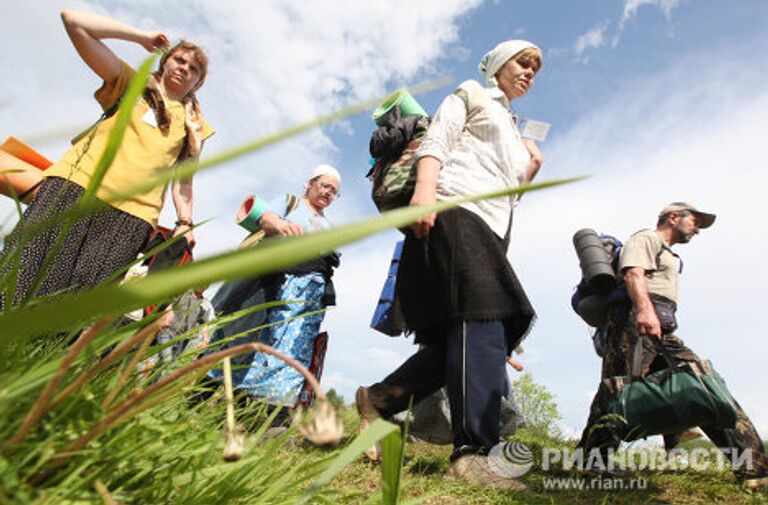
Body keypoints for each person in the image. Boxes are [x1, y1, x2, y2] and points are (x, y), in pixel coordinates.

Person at [356, 39, 544, 490]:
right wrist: (424, 192)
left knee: (458, 342)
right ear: (498, 64)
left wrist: (530, 167)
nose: (530, 73)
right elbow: (438, 138)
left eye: (536, 68)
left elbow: (508, 193)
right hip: (455, 209)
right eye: (523, 62)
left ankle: (379, 400)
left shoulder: (517, 129)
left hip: (490, 229)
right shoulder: (472, 93)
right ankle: (474, 453)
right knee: (483, 324)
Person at [0, 10, 213, 309]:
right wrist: (140, 37)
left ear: (197, 83)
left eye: (193, 68)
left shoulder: (195, 126)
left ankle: (41, 355)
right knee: (23, 274)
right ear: (165, 62)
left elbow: (183, 181)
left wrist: (184, 224)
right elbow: (73, 21)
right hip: (75, 186)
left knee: (78, 302)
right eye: (179, 60)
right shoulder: (130, 83)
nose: (184, 68)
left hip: (132, 215)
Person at [576, 202, 767, 489]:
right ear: (674, 217)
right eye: (696, 221)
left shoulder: (668, 252)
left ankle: (755, 470)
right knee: (616, 392)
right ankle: (591, 465)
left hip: (659, 324)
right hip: (636, 321)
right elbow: (633, 274)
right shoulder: (646, 238)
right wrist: (644, 310)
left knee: (704, 389)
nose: (698, 228)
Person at [202, 165, 341, 412]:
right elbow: (266, 218)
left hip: (309, 292)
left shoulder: (329, 225)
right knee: (243, 334)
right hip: (272, 280)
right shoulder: (290, 202)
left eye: (334, 191)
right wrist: (280, 225)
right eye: (325, 186)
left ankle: (267, 411)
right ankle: (201, 394)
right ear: (310, 183)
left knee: (290, 348)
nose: (329, 193)